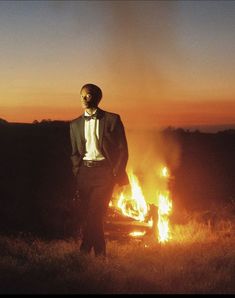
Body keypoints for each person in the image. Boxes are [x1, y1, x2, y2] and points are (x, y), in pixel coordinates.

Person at [70, 83, 129, 257]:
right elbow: (74, 152)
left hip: (105, 173)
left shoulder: (112, 119)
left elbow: (123, 149)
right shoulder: (74, 124)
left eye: (87, 95)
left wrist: (115, 173)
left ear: (97, 97)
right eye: (81, 95)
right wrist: (77, 171)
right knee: (90, 215)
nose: (83, 99)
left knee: (95, 212)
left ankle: (89, 251)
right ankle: (96, 253)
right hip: (84, 173)